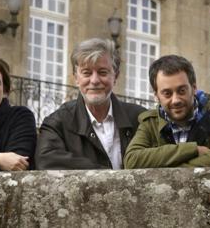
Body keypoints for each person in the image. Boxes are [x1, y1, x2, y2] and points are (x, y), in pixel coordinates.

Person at [36, 38, 147, 169]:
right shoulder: (58, 123)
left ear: (115, 76)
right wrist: (110, 177)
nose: (94, 80)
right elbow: (46, 161)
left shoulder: (140, 118)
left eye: (102, 72)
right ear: (76, 78)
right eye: (87, 73)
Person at [124, 54, 210, 168]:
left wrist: (159, 166)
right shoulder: (150, 122)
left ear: (194, 88)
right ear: (156, 96)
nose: (176, 100)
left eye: (182, 91)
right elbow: (132, 161)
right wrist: (193, 149)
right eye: (167, 93)